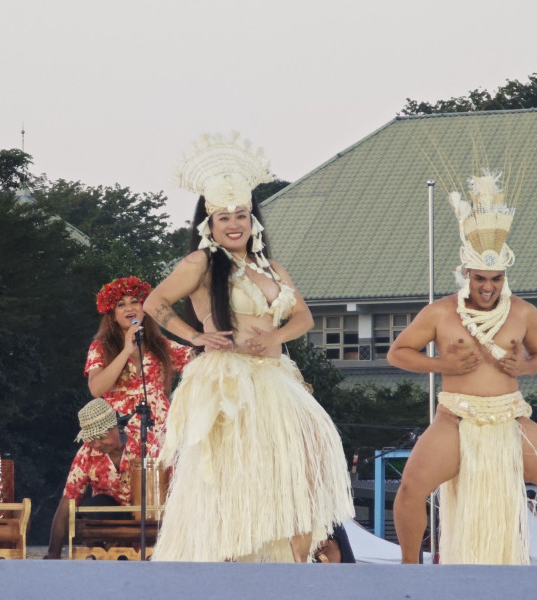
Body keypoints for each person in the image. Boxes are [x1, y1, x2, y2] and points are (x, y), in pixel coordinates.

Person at [143, 132, 354, 562]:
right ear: (209, 224)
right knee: (235, 475)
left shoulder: (270, 267)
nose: (234, 224)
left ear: (253, 219)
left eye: (241, 215)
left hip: (276, 379)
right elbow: (154, 303)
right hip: (229, 381)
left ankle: (295, 563)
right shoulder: (201, 263)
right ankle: (230, 561)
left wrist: (275, 337)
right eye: (224, 217)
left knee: (306, 463)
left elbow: (304, 318)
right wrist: (197, 336)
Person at [387, 169, 537, 565]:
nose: (488, 286)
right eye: (480, 279)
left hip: (510, 416)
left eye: (496, 278)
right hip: (457, 415)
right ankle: (408, 572)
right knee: (410, 489)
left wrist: (524, 367)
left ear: (504, 276)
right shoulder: (440, 312)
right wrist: (443, 363)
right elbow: (398, 352)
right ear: (467, 275)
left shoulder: (523, 312)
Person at [85, 276, 194, 458]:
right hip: (119, 436)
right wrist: (126, 350)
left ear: (144, 310)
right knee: (124, 485)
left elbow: (201, 360)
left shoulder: (162, 346)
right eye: (121, 304)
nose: (129, 308)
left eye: (135, 302)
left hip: (160, 434)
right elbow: (96, 389)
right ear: (112, 314)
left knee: (160, 484)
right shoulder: (101, 347)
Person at [45, 398, 133, 559]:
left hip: (143, 513)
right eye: (92, 439)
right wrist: (53, 553)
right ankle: (100, 554)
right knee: (92, 507)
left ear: (117, 428)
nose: (97, 444)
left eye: (101, 437)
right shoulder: (87, 453)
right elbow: (68, 501)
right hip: (106, 520)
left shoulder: (142, 443)